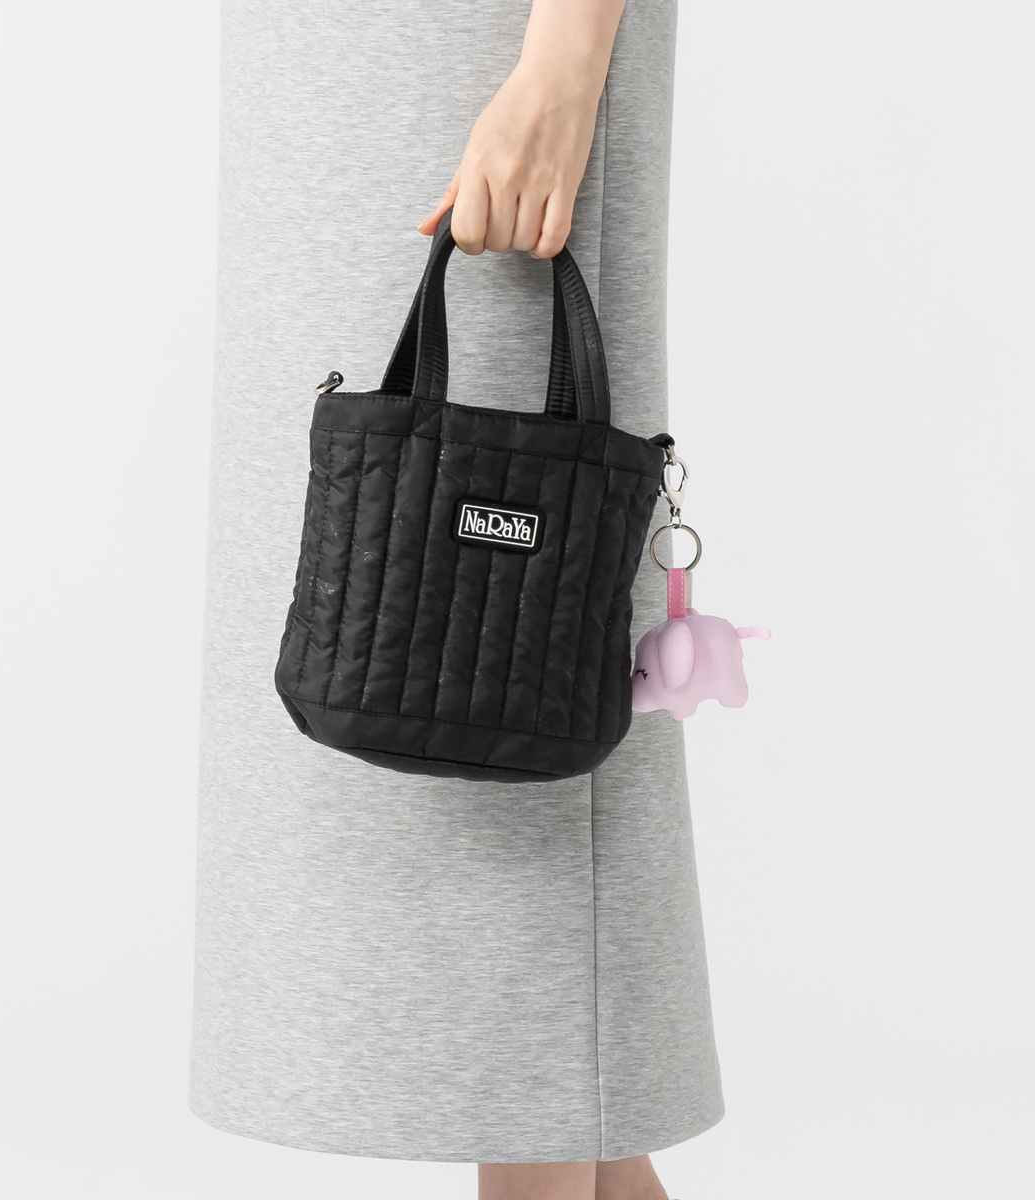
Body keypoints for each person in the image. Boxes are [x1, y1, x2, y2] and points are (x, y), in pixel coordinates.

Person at [190, 2, 722, 1197]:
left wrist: (564, 60)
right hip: (317, 86)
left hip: (474, 56)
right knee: (366, 591)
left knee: (514, 701)